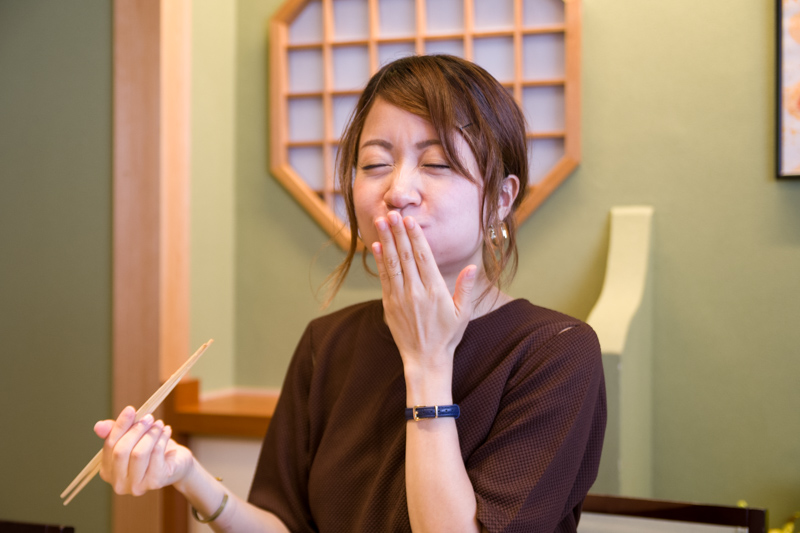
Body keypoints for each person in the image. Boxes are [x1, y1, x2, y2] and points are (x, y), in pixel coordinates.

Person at [94, 54, 606, 533]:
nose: (397, 191)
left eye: (437, 164)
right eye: (376, 164)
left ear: (500, 199)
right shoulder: (327, 343)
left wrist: (427, 364)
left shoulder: (556, 352)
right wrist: (188, 476)